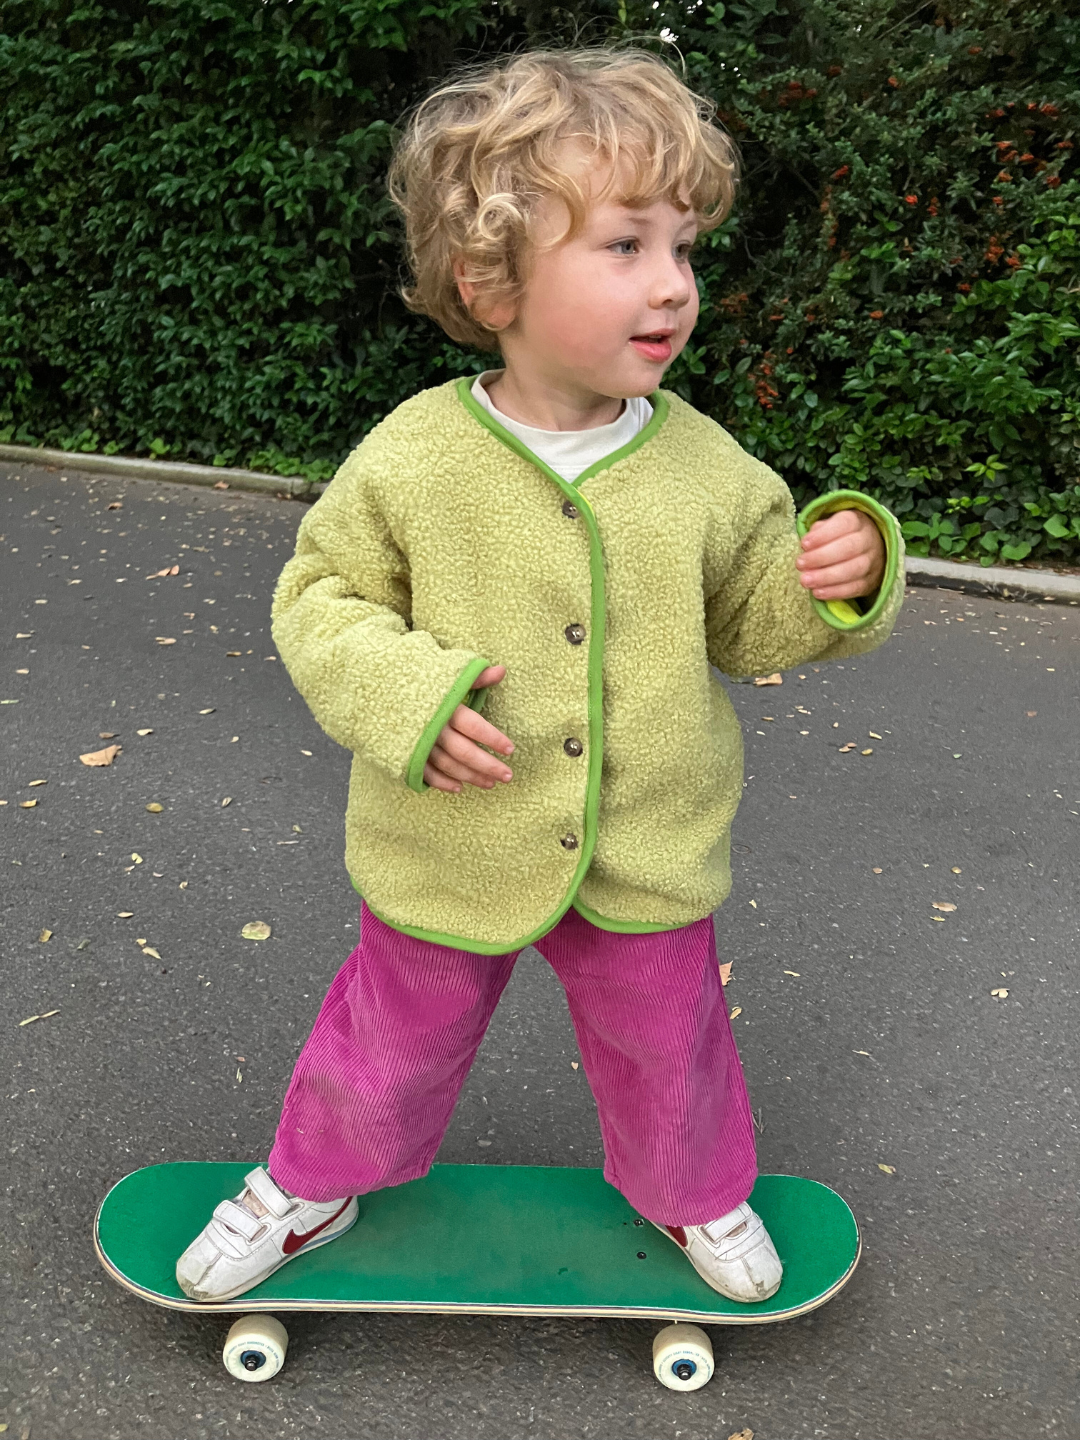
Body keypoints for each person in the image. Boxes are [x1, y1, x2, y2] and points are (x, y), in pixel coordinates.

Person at [176, 47, 904, 1306]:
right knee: (387, 1040)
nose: (673, 284)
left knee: (672, 1048)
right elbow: (321, 598)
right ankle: (313, 1184)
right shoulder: (413, 457)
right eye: (625, 246)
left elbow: (751, 621)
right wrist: (411, 697)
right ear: (489, 278)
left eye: (684, 248)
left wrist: (833, 583)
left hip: (649, 843)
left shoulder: (708, 466)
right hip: (445, 840)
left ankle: (694, 1196)